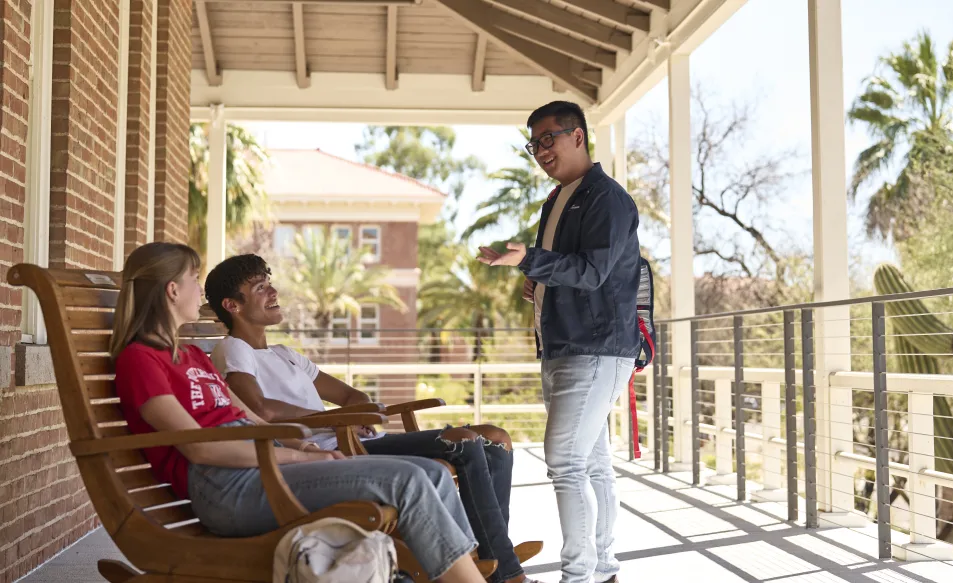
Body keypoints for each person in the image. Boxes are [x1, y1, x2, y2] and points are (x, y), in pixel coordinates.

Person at [110, 242, 486, 583]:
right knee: (408, 481)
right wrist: (291, 453)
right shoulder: (139, 360)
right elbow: (201, 449)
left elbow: (252, 420)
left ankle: (460, 569)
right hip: (225, 486)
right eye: (193, 279)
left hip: (260, 468)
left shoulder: (192, 356)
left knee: (432, 472)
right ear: (172, 291)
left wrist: (306, 450)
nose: (200, 291)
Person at [203, 254, 540, 583]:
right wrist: (335, 419)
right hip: (331, 452)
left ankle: (491, 554)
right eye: (260, 287)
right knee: (464, 443)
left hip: (357, 439)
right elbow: (259, 408)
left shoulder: (284, 354)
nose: (273, 293)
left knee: (495, 438)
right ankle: (505, 572)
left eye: (269, 283)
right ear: (233, 305)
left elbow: (352, 396)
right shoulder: (233, 349)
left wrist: (354, 412)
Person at [476, 101, 641, 583]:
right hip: (566, 346)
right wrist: (536, 280)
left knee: (566, 461)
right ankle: (602, 565)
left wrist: (531, 259)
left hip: (594, 348)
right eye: (534, 143)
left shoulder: (605, 198)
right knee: (590, 462)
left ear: (578, 136)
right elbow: (571, 269)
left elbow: (591, 273)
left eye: (549, 138)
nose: (541, 150)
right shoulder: (559, 198)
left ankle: (578, 575)